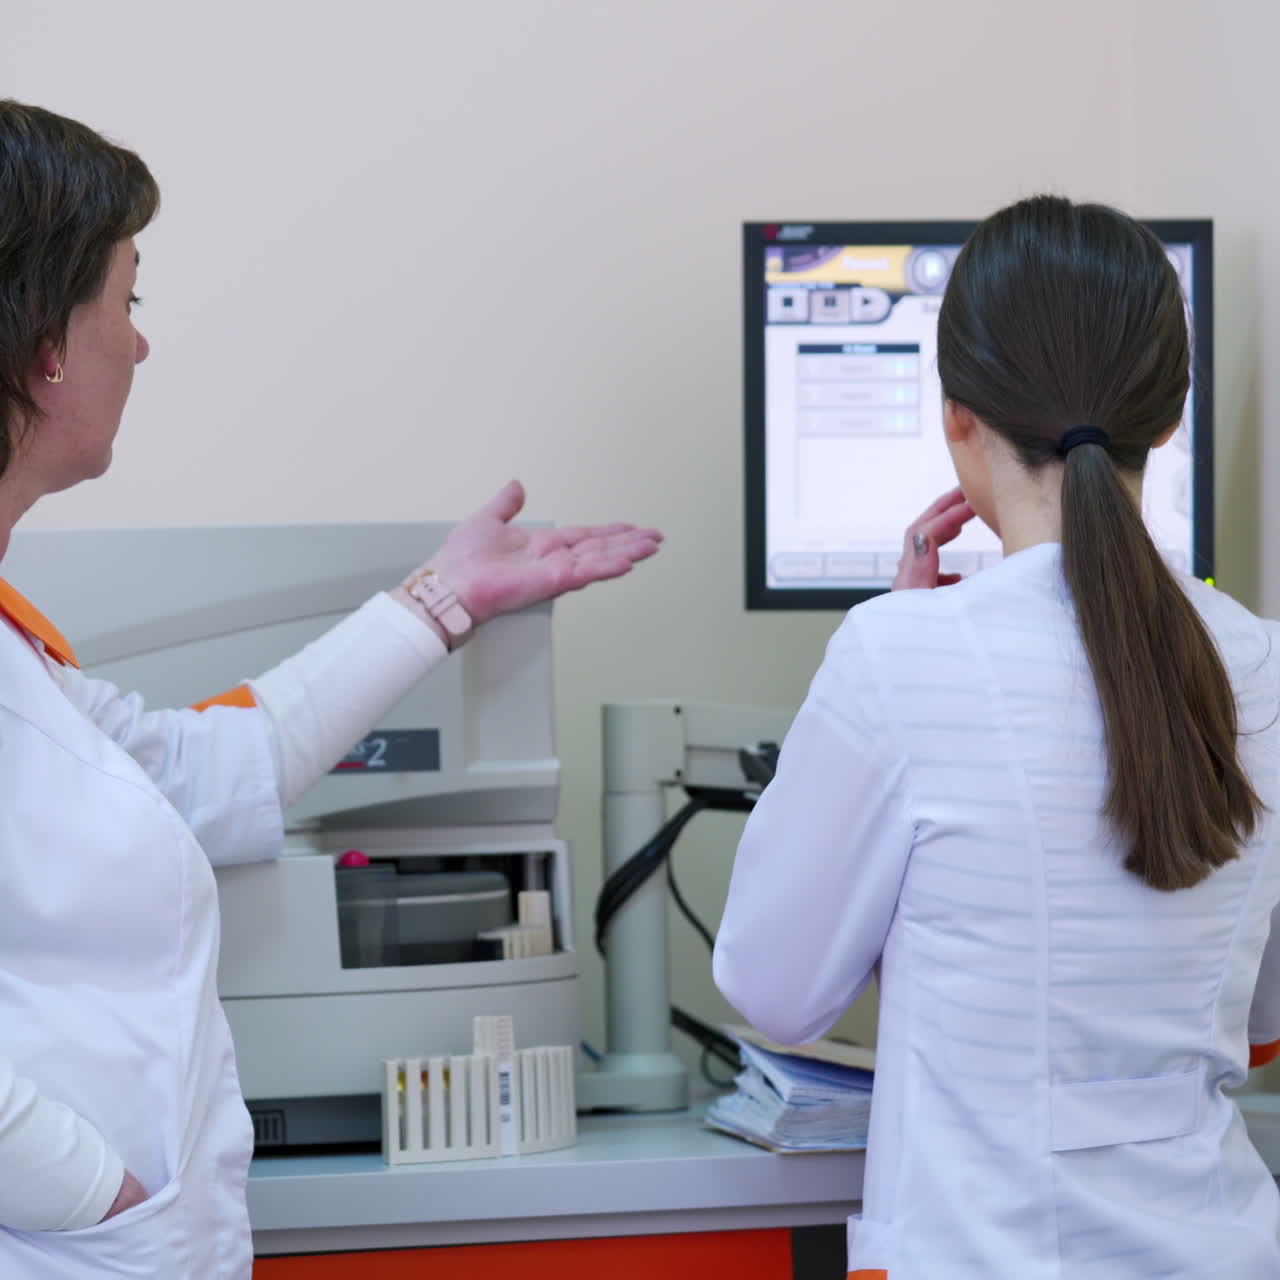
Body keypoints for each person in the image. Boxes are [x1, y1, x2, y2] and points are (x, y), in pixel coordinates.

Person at [0, 99, 660, 1278]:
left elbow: (205, 772)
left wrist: (439, 601)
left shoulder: (18, 662)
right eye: (127, 298)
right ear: (47, 338)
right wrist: (99, 1191)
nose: (140, 343)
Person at [714, 195, 1280, 1278]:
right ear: (1168, 418)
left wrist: (885, 648)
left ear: (955, 412)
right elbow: (1258, 1020)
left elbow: (774, 987)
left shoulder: (898, 655)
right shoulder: (1258, 663)